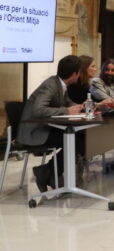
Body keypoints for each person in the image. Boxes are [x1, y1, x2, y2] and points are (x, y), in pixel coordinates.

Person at [18, 55, 85, 192]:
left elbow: (68, 102)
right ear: (74, 74)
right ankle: (49, 172)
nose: (79, 75)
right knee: (75, 140)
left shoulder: (61, 84)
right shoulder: (50, 85)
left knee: (80, 137)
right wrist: (66, 110)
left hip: (45, 127)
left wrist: (81, 107)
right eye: (79, 72)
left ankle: (48, 172)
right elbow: (38, 109)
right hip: (35, 131)